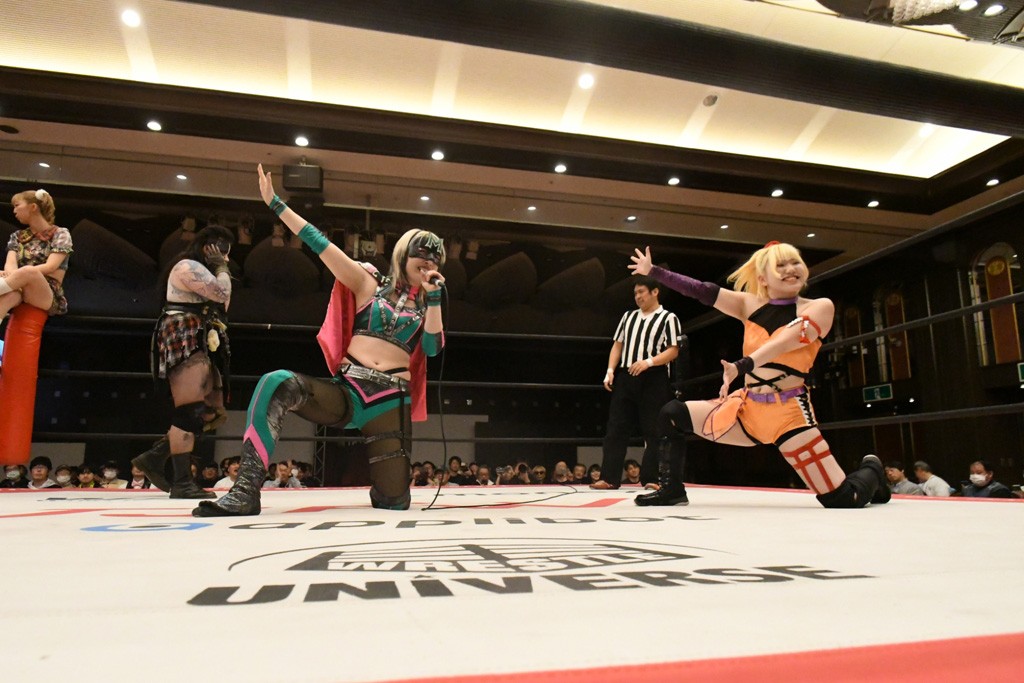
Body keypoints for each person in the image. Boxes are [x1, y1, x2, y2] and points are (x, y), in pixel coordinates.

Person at [193, 164, 446, 517]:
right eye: (422, 254)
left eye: (435, 257)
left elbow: (432, 348)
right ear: (404, 254)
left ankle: (386, 483)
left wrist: (433, 299)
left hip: (391, 403)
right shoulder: (368, 282)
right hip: (349, 390)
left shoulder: (428, 304)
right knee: (276, 382)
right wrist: (277, 205)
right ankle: (246, 490)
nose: (428, 262)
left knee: (395, 501)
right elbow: (320, 244)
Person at [629, 242, 889, 508]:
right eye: (781, 265)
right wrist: (655, 272)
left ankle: (872, 469)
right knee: (672, 413)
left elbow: (785, 341)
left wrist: (742, 365)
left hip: (788, 414)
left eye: (795, 262)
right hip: (745, 409)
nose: (791, 269)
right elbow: (702, 290)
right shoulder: (748, 304)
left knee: (843, 498)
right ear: (763, 278)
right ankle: (671, 489)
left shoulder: (819, 307)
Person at [132, 224, 234, 500]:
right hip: (184, 332)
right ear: (209, 248)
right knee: (190, 410)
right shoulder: (187, 266)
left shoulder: (207, 272)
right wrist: (222, 269)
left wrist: (220, 270)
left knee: (210, 411)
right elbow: (222, 294)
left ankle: (155, 457)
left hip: (202, 334)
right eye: (223, 252)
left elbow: (223, 304)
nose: (226, 258)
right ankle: (182, 482)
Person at [592, 276, 683, 490]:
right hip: (627, 376)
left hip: (654, 376)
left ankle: (651, 478)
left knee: (654, 428)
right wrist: (610, 370)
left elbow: (673, 350)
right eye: (635, 293)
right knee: (616, 426)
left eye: (641, 292)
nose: (638, 297)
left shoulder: (668, 318)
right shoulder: (628, 317)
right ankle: (609, 477)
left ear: (655, 292)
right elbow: (618, 345)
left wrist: (649, 362)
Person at [1, 189, 72, 320]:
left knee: (29, 272)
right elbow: (10, 264)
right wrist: (15, 277)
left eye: (17, 205)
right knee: (10, 296)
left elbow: (50, 267)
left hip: (45, 293)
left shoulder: (61, 234)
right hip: (19, 287)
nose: (14, 211)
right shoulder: (17, 236)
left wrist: (20, 275)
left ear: (33, 207)